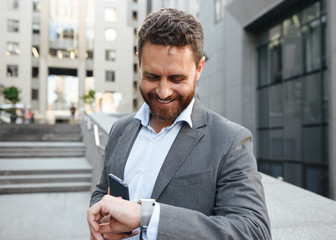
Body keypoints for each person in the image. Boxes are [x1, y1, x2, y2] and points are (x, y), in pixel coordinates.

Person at [87, 8, 271, 240]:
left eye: (177, 79)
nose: (163, 92)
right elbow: (103, 192)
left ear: (199, 69)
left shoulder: (230, 141)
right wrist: (102, 221)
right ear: (139, 63)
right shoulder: (120, 129)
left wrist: (148, 216)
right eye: (152, 77)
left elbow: (253, 231)